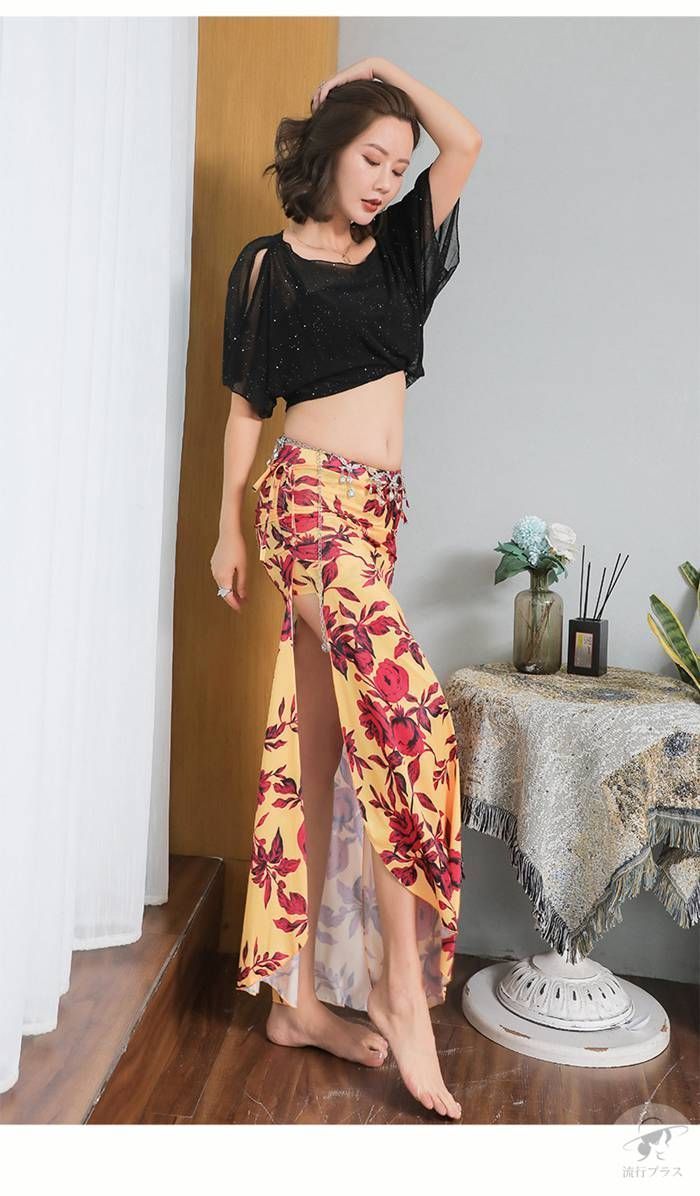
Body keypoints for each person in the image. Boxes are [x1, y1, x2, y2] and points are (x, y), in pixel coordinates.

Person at [211, 56, 482, 1121]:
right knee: (412, 720)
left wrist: (389, 77)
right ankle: (397, 990)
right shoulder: (266, 268)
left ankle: (294, 1003)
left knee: (324, 755)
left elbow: (466, 144)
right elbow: (247, 404)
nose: (385, 180)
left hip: (374, 522)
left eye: (396, 166)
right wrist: (225, 528)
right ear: (327, 152)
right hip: (305, 509)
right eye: (371, 157)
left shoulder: (402, 249)